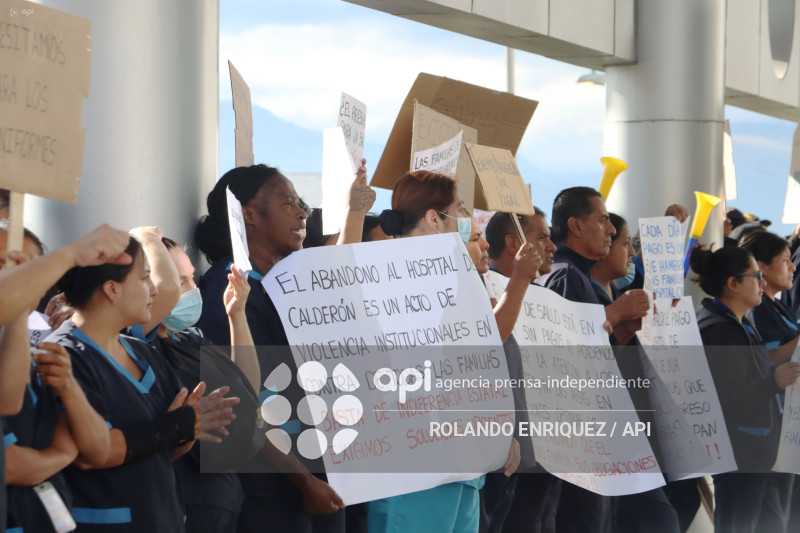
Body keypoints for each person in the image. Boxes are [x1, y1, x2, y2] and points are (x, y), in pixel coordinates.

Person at [195, 164, 358, 533]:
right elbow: (241, 401)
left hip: (322, 473)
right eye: (288, 201)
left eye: (301, 202)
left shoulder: (289, 287)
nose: (303, 212)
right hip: (274, 487)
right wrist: (302, 480)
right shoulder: (227, 294)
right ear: (248, 214)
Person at [46, 236, 238, 531]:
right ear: (112, 289)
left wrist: (188, 426)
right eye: (145, 278)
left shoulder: (143, 351)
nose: (153, 290)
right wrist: (178, 425)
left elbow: (173, 446)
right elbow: (94, 452)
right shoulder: (64, 356)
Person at [373, 170, 518, 533]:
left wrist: (500, 431)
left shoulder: (460, 279)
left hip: (462, 459)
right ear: (434, 218)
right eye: (460, 210)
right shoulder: (389, 276)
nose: (468, 222)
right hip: (417, 462)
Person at [537, 187, 648, 533]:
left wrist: (623, 329)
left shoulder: (578, 276)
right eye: (603, 220)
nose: (611, 230)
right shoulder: (565, 276)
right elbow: (565, 361)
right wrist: (614, 314)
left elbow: (595, 362)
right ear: (576, 225)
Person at [691, 245, 800, 533]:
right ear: (733, 283)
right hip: (741, 457)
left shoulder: (736, 324)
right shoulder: (718, 329)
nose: (763, 284)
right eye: (755, 276)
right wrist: (775, 381)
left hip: (757, 455)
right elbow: (730, 397)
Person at [462, 219, 535, 533]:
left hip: (496, 455)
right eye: (476, 238)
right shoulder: (447, 296)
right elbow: (487, 346)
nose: (485, 245)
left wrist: (507, 433)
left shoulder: (477, 288)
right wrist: (519, 278)